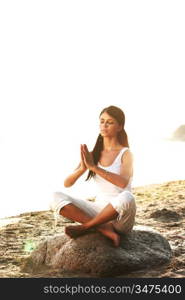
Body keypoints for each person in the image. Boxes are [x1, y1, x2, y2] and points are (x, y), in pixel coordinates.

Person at [50, 105, 136, 247]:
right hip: (99, 211)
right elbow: (67, 183)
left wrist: (94, 168)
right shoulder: (93, 154)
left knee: (128, 197)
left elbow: (122, 183)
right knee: (55, 196)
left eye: (110, 122)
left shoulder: (126, 154)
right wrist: (83, 168)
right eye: (102, 121)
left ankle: (86, 227)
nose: (104, 125)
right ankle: (102, 228)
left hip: (120, 216)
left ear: (120, 126)